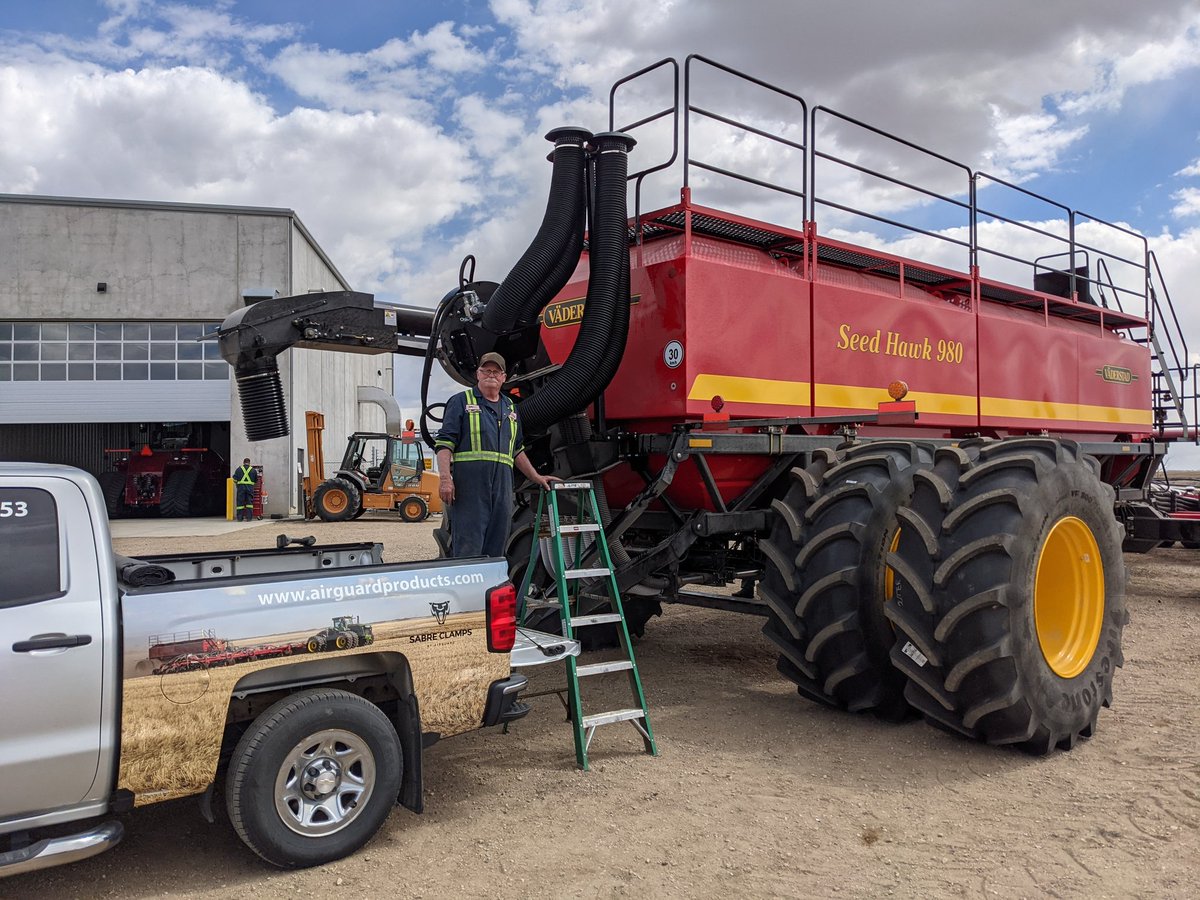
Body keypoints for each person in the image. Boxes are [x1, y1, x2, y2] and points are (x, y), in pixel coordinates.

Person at [434, 352, 556, 557]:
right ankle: (469, 589)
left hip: (502, 487)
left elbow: (517, 450)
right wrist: (445, 479)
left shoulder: (510, 408)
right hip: (471, 486)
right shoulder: (461, 401)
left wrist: (535, 477)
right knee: (469, 545)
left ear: (504, 377)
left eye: (496, 371)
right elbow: (445, 444)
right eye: (486, 370)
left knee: (498, 544)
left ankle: (491, 588)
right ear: (478, 374)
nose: (491, 374)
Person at [233, 457, 259, 522]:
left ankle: (239, 518)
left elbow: (234, 479)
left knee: (240, 503)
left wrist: (238, 484)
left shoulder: (238, 469)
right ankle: (249, 518)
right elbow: (256, 480)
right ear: (249, 463)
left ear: (243, 462)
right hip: (250, 488)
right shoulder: (253, 470)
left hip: (241, 488)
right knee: (249, 503)